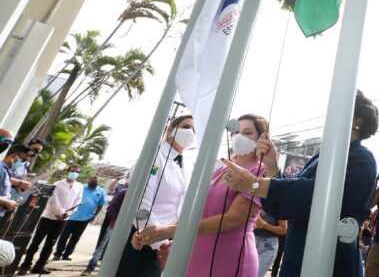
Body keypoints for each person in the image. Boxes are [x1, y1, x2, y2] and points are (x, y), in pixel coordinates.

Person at [220, 90, 379, 277]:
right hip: (299, 253)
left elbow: (314, 196)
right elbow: (294, 193)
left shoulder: (362, 158)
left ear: (356, 122)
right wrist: (272, 165)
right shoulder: (321, 156)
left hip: (332, 259)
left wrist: (254, 184)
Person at [132, 114, 268, 276]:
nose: (239, 137)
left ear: (261, 139)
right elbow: (196, 212)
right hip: (198, 252)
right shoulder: (221, 170)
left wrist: (171, 230)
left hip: (230, 254)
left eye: (247, 133)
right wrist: (153, 233)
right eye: (236, 132)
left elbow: (233, 219)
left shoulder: (260, 172)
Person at [115, 114, 195, 277]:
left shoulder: (188, 165)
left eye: (194, 130)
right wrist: (161, 244)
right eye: (186, 127)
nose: (191, 132)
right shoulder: (153, 156)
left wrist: (172, 242)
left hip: (168, 242)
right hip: (142, 239)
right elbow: (141, 206)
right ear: (171, 130)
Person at [18, 164, 83, 275]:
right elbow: (53, 200)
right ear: (68, 171)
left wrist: (67, 214)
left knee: (50, 244)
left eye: (77, 172)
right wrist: (61, 213)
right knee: (36, 242)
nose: (74, 173)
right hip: (48, 217)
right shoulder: (57, 184)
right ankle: (25, 265)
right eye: (73, 171)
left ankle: (39, 266)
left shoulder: (79, 186)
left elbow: (77, 202)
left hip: (63, 220)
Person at [53, 175, 106, 261]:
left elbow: (100, 204)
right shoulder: (80, 187)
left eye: (95, 181)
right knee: (64, 236)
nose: (93, 182)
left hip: (86, 218)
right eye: (92, 180)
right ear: (88, 180)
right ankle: (58, 254)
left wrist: (94, 215)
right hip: (71, 216)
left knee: (76, 237)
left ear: (98, 182)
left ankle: (67, 254)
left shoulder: (101, 191)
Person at [82, 186, 128, 275]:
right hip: (115, 224)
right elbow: (111, 207)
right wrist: (114, 219)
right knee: (102, 246)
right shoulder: (123, 193)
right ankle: (90, 268)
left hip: (127, 227)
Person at [254, 209, 288, 277]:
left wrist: (264, 225)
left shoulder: (277, 206)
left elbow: (284, 229)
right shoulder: (252, 202)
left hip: (268, 248)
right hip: (250, 244)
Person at [0, 145, 30, 216]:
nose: (23, 164)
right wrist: (7, 203)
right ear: (13, 156)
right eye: (23, 160)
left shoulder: (7, 171)